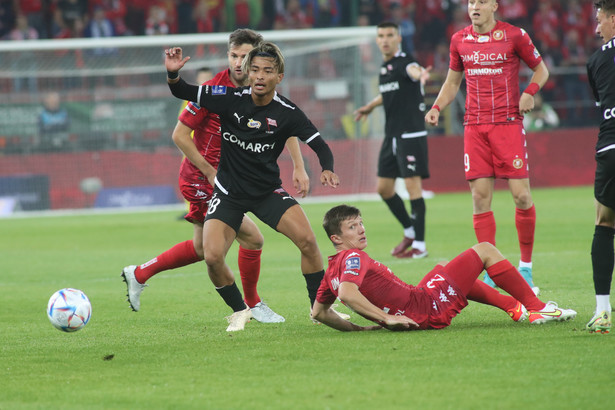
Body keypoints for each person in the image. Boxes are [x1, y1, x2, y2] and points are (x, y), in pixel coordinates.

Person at [122, 30, 309, 325]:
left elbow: (284, 122)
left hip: (233, 179)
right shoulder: (213, 90)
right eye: (233, 56)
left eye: (244, 57)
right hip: (202, 178)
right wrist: (209, 172)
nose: (238, 63)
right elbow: (180, 135)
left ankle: (140, 273)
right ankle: (252, 304)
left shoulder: (261, 82)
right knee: (251, 239)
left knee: (204, 249)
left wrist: (299, 165)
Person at [164, 41, 341, 331]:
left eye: (267, 71)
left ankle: (319, 309)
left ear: (278, 77)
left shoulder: (287, 111)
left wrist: (327, 168)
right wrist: (172, 74)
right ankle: (239, 310)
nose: (260, 75)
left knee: (309, 243)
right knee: (211, 257)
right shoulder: (228, 98)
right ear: (248, 73)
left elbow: (320, 145)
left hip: (266, 193)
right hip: (229, 193)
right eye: (255, 69)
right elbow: (182, 90)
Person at [425, 0, 549, 295]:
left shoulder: (514, 35)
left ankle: (526, 269)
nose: (475, 6)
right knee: (480, 198)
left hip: (507, 124)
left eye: (481, 1)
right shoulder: (459, 39)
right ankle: (493, 270)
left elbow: (541, 70)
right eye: (471, 2)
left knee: (521, 196)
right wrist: (437, 106)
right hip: (474, 126)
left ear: (494, 5)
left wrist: (530, 93)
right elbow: (453, 82)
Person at [311, 204, 577, 332]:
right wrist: (385, 318)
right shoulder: (354, 258)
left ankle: (514, 307)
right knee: (484, 249)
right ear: (336, 238)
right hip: (425, 309)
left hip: (417, 301)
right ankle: (538, 309)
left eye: (360, 223)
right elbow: (347, 293)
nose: (362, 229)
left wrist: (361, 329)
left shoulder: (331, 271)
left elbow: (319, 313)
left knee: (443, 270)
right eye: (352, 226)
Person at [354, 22, 431, 259]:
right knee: (384, 189)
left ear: (398, 38)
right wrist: (369, 106)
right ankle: (409, 230)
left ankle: (419, 246)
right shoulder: (385, 67)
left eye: (389, 35)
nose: (385, 39)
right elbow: (388, 92)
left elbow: (414, 72)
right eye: (381, 36)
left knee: (412, 187)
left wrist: (422, 74)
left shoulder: (406, 62)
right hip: (392, 135)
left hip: (410, 135)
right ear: (377, 40)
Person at [585, 0, 615, 334]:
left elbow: (602, 105)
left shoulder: (596, 60)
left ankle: (603, 310)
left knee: (604, 222)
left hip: (610, 148)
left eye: (599, 21)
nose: (596, 28)